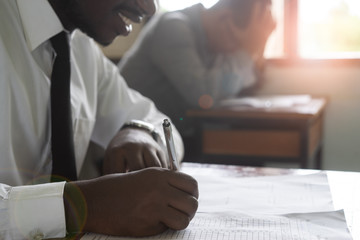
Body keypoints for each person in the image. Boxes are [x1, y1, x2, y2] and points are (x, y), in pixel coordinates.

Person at [0, 0, 198, 239]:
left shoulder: (81, 50)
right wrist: (84, 206)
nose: (149, 8)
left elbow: (155, 119)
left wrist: (137, 131)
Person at [118, 0, 276, 143]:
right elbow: (202, 95)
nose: (235, 52)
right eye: (237, 44)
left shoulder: (216, 40)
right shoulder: (172, 27)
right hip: (127, 136)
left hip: (167, 135)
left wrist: (258, 47)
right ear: (224, 18)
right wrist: (248, 52)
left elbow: (250, 84)